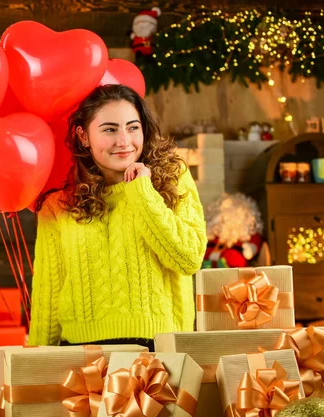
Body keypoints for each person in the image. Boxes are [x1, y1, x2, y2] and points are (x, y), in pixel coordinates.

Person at [28, 84, 207, 350]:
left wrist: (142, 191)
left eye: (133, 127)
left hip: (159, 356)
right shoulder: (57, 206)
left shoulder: (173, 181)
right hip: (80, 359)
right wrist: (35, 371)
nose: (124, 141)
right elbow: (48, 300)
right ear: (84, 136)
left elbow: (188, 258)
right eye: (110, 129)